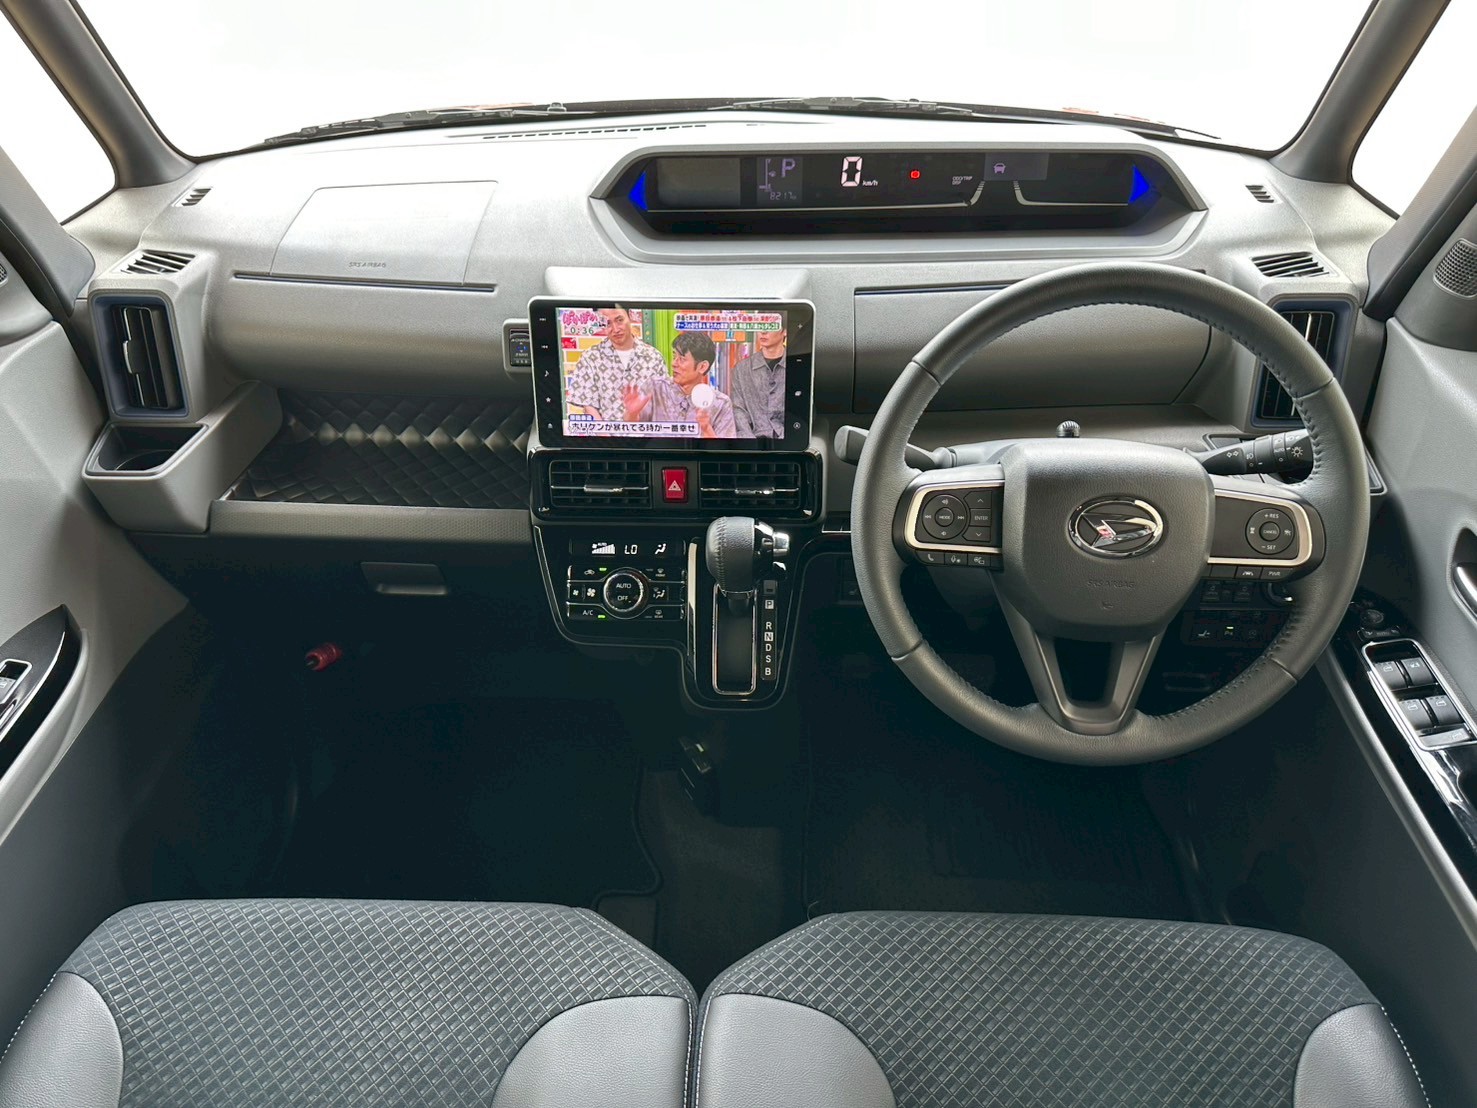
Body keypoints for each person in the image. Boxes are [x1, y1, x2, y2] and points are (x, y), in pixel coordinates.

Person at [621, 331, 736, 439]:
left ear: (702, 367)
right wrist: (632, 413)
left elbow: (724, 450)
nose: (674, 363)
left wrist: (706, 429)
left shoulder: (720, 403)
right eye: (674, 356)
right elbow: (631, 428)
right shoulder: (656, 388)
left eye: (682, 359)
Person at [564, 306, 666, 422]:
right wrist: (605, 433)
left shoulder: (654, 357)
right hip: (604, 432)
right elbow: (589, 407)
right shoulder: (590, 358)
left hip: (647, 432)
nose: (615, 329)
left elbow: (662, 404)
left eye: (619, 320)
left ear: (630, 317)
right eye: (607, 323)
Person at [728, 323, 786, 438]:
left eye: (770, 326)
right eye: (759, 326)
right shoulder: (742, 368)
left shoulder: (797, 366)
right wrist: (749, 441)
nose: (763, 332)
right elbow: (738, 410)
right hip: (752, 440)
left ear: (784, 331)